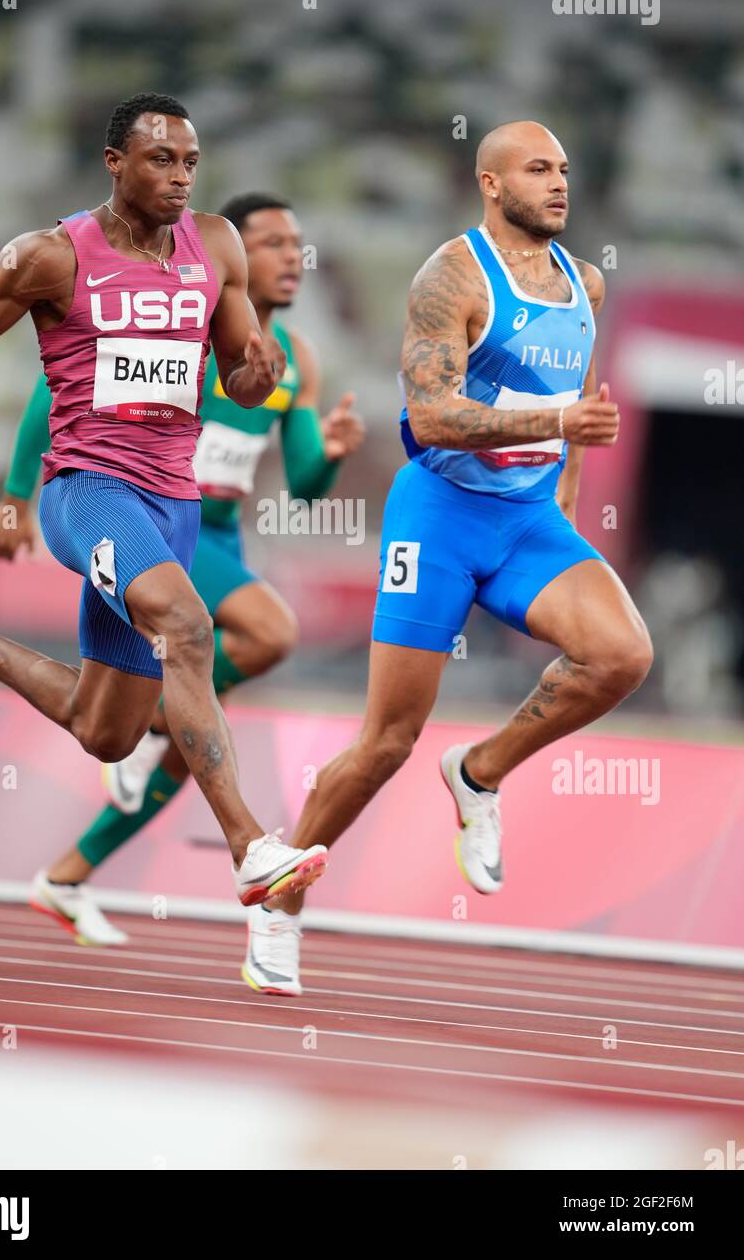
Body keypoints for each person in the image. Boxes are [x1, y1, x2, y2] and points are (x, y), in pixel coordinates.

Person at [0, 94, 328, 910]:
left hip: (172, 503)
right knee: (188, 627)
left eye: (191, 162)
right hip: (87, 492)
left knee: (107, 729)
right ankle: (250, 848)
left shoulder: (216, 245)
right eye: (161, 159)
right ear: (115, 162)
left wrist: (260, 374)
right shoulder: (49, 257)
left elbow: (238, 373)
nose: (181, 177)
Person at [241, 121, 653, 995]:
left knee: (622, 654)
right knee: (388, 739)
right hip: (439, 519)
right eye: (538, 170)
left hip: (531, 523)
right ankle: (278, 904)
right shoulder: (450, 278)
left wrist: (568, 508)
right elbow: (430, 417)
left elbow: (579, 404)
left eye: (565, 169)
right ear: (491, 184)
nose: (559, 183)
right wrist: (554, 427)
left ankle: (479, 773)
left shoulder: (587, 284)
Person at [0, 193, 364, 945]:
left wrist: (334, 454)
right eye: (272, 244)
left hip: (212, 535)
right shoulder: (182, 313)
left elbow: (305, 484)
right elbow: (52, 395)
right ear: (227, 263)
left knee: (172, 744)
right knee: (267, 632)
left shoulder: (297, 362)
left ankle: (69, 873)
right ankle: (192, 768)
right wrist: (18, 497)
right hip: (141, 522)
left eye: (297, 243)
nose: (291, 258)